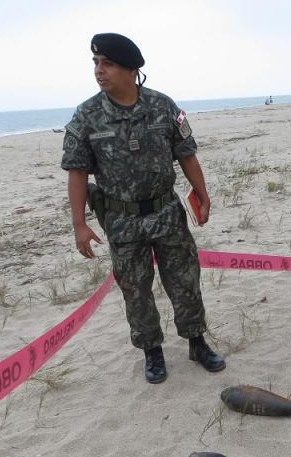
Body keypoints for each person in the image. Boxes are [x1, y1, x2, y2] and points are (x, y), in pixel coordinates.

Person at [61, 33, 225, 385]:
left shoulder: (163, 107)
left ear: (132, 70)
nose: (99, 71)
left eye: (107, 63)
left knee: (185, 281)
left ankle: (197, 342)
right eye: (95, 63)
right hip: (121, 220)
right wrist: (79, 223)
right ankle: (152, 351)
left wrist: (202, 193)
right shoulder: (87, 116)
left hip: (167, 213)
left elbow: (186, 154)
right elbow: (76, 171)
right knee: (135, 290)